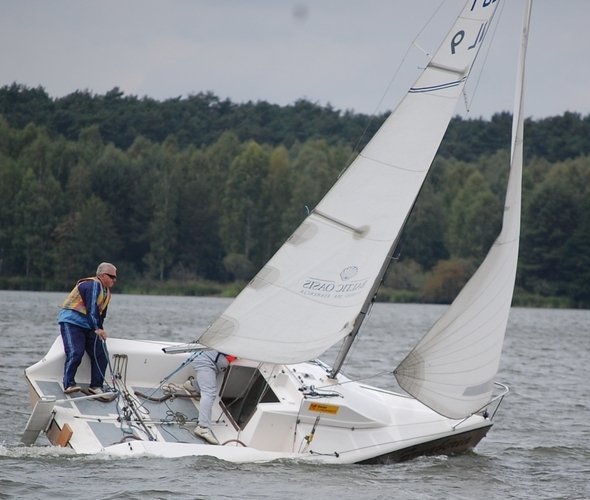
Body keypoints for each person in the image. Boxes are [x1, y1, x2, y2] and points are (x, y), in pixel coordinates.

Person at [58, 262, 117, 396]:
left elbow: (101, 314)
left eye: (115, 277)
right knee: (75, 352)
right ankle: (68, 384)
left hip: (88, 324)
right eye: (111, 276)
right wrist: (97, 328)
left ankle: (96, 386)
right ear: (102, 275)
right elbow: (92, 308)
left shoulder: (106, 291)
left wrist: (100, 328)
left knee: (101, 354)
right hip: (71, 322)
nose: (114, 280)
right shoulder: (93, 284)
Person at [190, 350, 235, 445]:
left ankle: (192, 386)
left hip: (215, 364)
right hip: (207, 361)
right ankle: (202, 428)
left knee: (210, 389)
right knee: (209, 393)